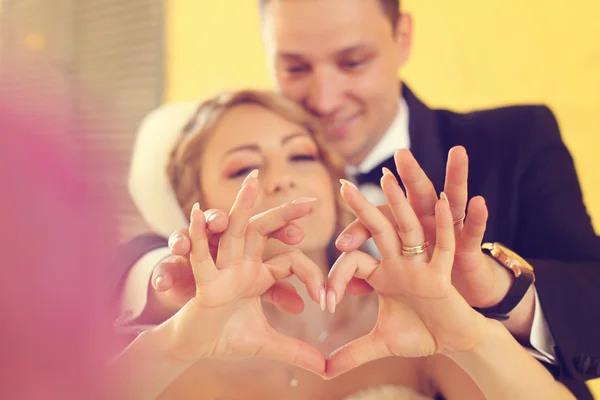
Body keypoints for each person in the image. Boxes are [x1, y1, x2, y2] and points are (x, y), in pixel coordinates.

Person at [118, 1, 600, 398]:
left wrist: (488, 302)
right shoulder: (183, 325)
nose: (325, 101)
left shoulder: (516, 140)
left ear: (403, 38)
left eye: (352, 61)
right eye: (295, 66)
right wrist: (172, 294)